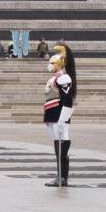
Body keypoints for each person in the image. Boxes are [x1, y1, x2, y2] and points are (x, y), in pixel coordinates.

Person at [43, 45, 77, 187]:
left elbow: (68, 100)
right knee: (57, 146)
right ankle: (59, 176)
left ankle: (63, 177)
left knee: (62, 146)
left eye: (52, 63)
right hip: (52, 113)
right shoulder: (55, 78)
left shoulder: (64, 78)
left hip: (59, 114)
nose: (50, 65)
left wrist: (63, 119)